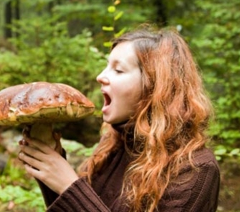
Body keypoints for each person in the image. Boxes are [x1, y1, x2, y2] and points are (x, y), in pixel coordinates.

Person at [18, 25, 220, 212]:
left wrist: (70, 186)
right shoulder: (112, 145)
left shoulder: (196, 169)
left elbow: (80, 201)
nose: (100, 76)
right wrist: (50, 173)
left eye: (118, 70)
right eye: (106, 66)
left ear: (154, 87)